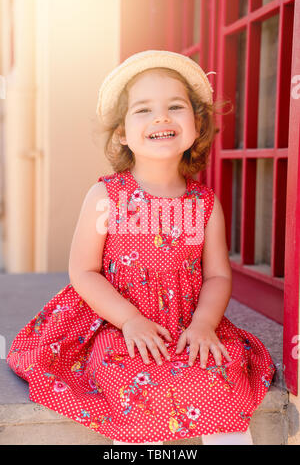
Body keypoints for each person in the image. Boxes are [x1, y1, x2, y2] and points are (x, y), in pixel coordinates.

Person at [7, 50, 275, 446]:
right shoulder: (107, 196)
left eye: (175, 107)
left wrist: (203, 323)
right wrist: (129, 319)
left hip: (186, 323)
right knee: (130, 380)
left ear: (197, 124)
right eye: (143, 110)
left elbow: (218, 274)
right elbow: (84, 271)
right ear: (121, 133)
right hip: (117, 322)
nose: (161, 117)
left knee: (221, 373)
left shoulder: (204, 203)